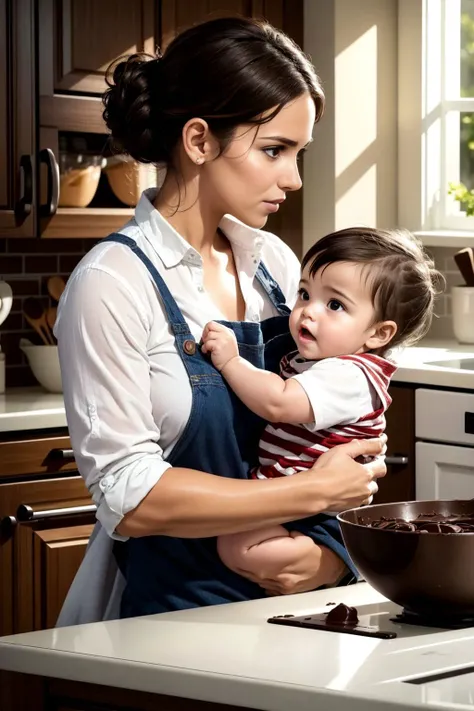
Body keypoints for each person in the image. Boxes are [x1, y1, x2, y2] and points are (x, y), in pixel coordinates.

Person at [54, 16, 387, 625]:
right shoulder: (112, 284)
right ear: (200, 140)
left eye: (298, 152)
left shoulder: (277, 267)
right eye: (274, 150)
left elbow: (325, 430)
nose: (293, 178)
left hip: (295, 611)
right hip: (167, 616)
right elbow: (131, 499)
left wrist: (328, 559)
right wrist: (314, 492)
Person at [201, 227, 442, 586]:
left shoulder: (350, 375)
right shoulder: (317, 359)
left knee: (240, 549)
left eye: (335, 305)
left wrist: (231, 362)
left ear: (378, 334)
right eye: (304, 293)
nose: (307, 312)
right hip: (293, 499)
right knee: (236, 545)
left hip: (320, 514)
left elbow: (278, 402)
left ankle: (327, 565)